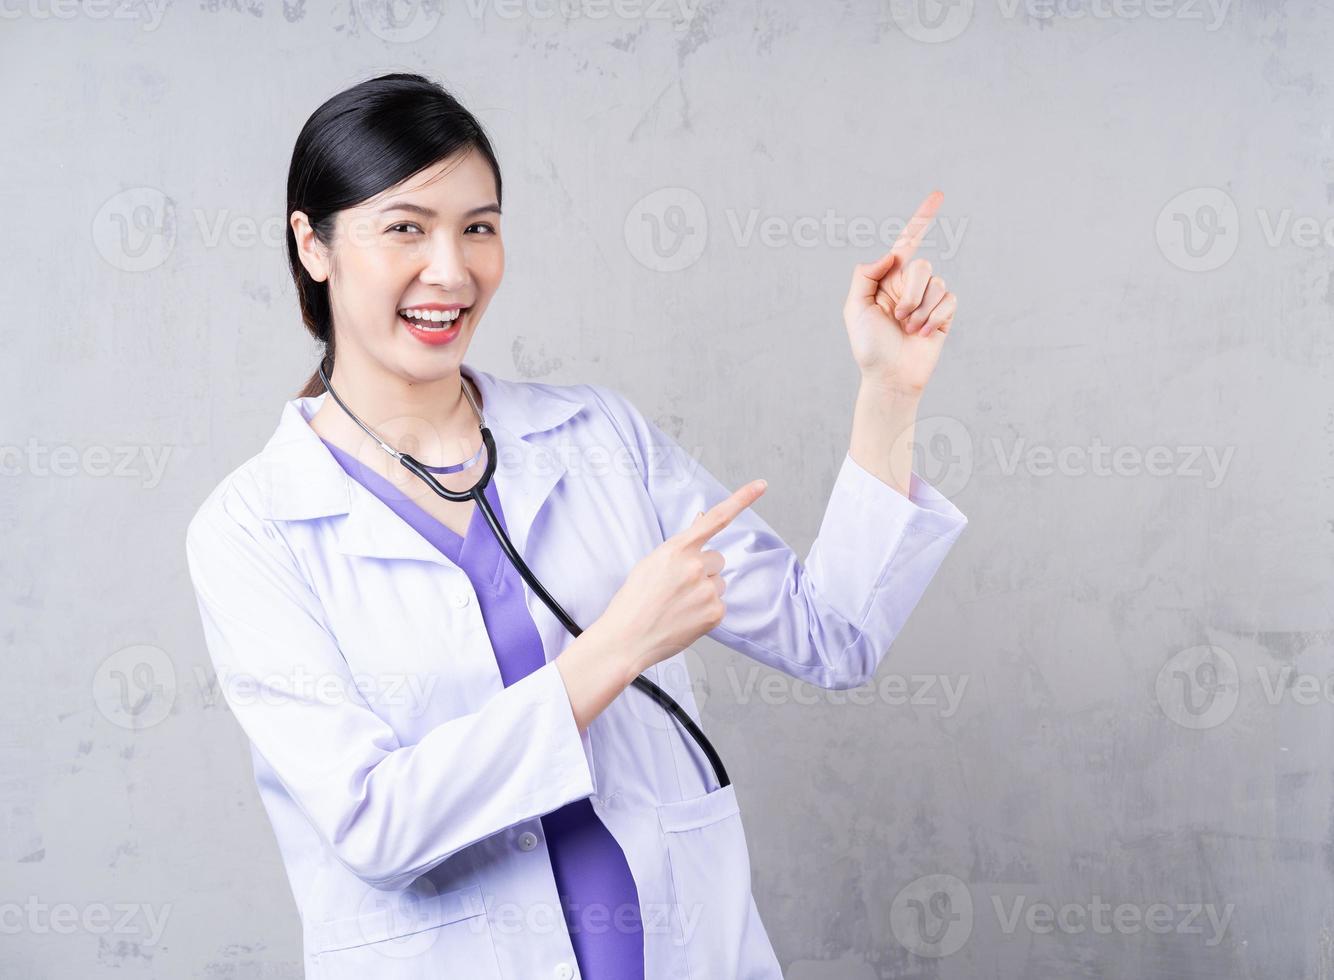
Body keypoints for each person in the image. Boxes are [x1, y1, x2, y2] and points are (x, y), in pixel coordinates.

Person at [184, 71, 968, 980]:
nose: (451, 269)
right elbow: (374, 825)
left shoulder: (599, 439)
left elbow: (833, 634)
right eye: (404, 227)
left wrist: (889, 391)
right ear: (311, 246)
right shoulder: (254, 529)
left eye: (478, 227)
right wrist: (617, 647)